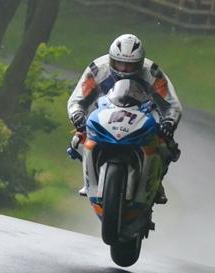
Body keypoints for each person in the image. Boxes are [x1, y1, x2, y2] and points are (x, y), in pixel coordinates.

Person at [67, 33, 182, 204]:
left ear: (140, 63)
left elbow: (172, 104)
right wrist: (77, 115)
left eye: (130, 66)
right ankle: (89, 179)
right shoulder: (97, 69)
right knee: (77, 141)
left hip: (140, 116)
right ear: (111, 59)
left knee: (167, 146)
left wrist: (168, 123)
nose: (123, 69)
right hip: (105, 114)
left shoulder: (152, 73)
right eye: (119, 63)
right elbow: (76, 100)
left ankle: (156, 184)